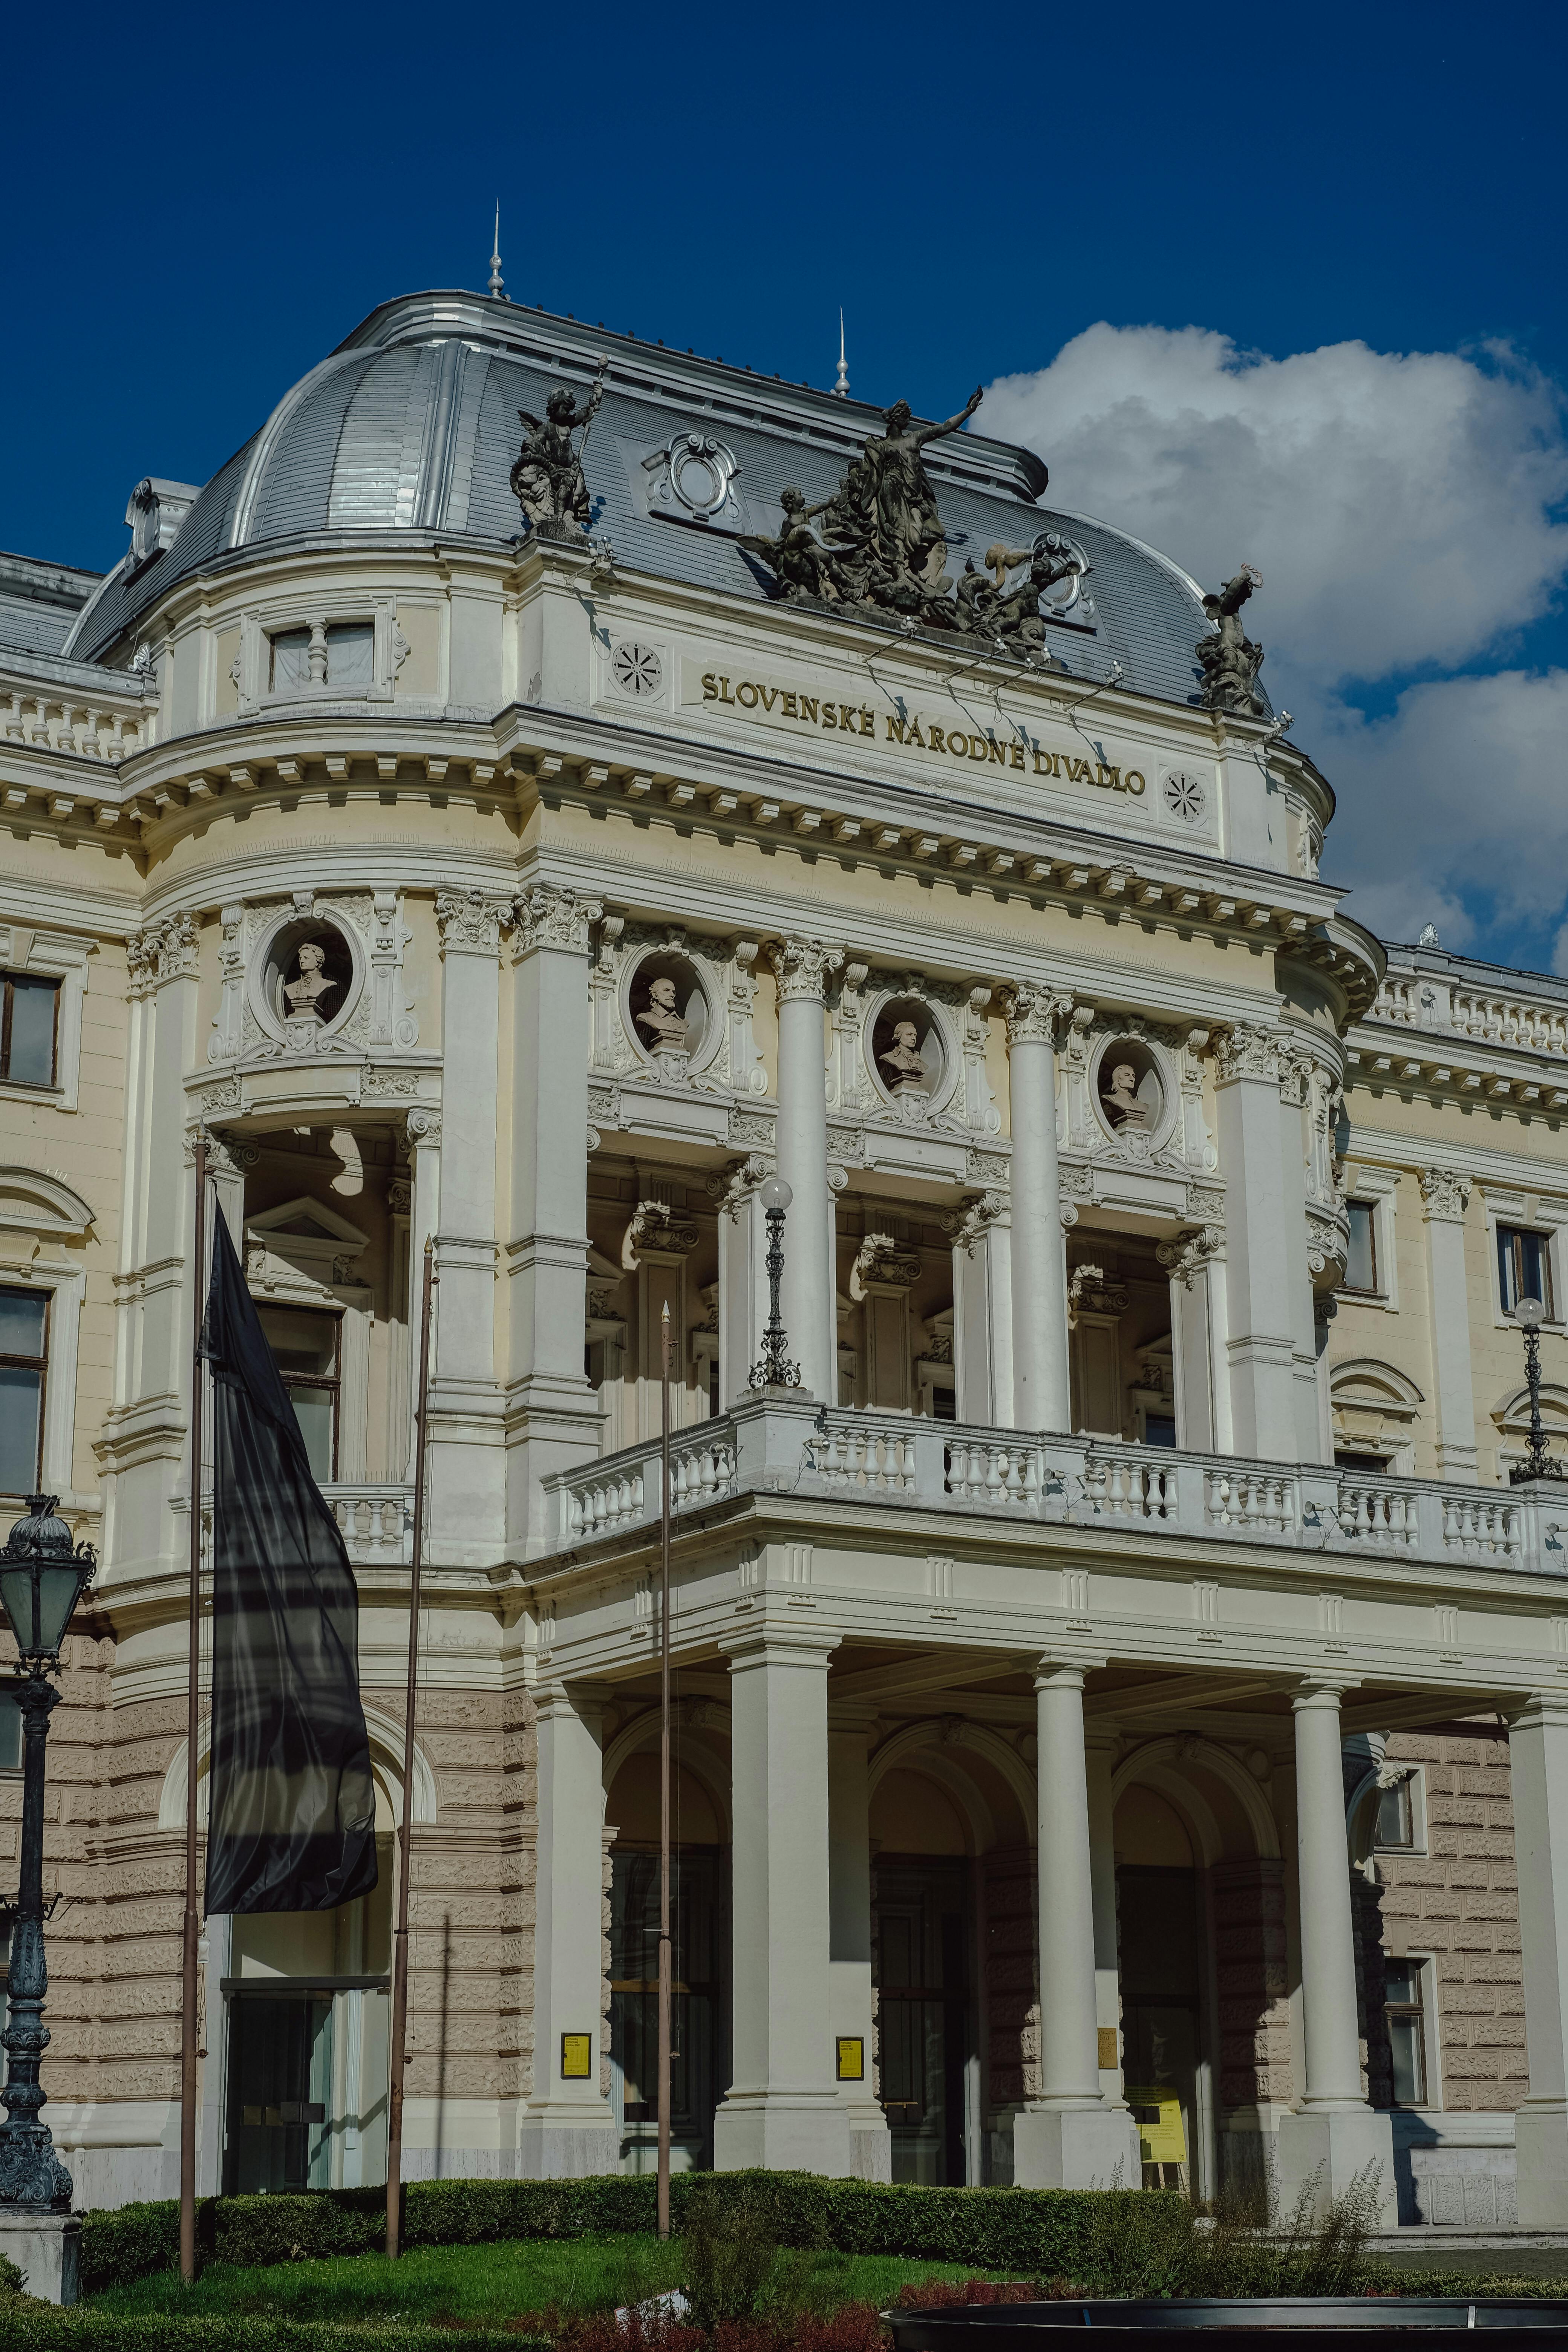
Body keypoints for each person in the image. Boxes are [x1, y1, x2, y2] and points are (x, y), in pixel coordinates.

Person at [283, 939, 337, 1020]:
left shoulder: (327, 984)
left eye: (306, 958)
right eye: (300, 958)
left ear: (317, 962)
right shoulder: (290, 988)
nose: (302, 961)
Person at [635, 974, 688, 1051]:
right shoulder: (646, 1018)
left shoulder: (683, 1023)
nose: (672, 995)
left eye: (674, 992)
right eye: (667, 990)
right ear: (656, 995)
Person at [1101, 1061, 1152, 1129]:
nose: (1132, 1079)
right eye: (1127, 1075)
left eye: (1133, 1076)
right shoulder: (1111, 1099)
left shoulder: (1143, 1105)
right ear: (1118, 1080)